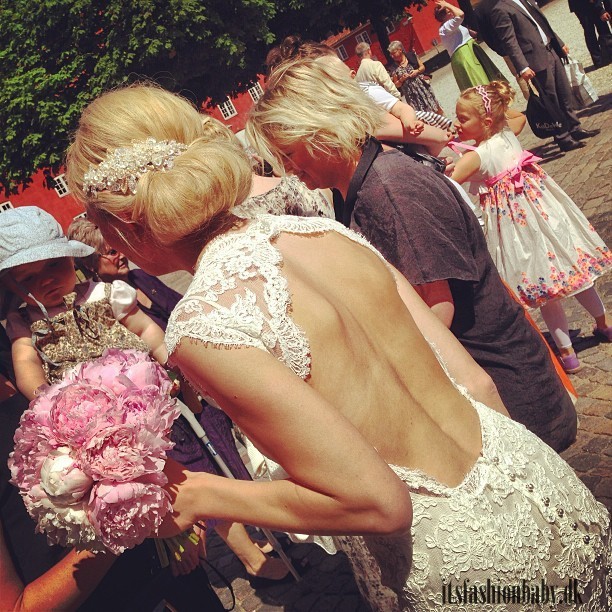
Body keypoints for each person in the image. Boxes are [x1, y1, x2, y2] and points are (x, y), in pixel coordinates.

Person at [66, 83, 610, 611]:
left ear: (123, 221)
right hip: (536, 484)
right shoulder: (323, 232)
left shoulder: (204, 325)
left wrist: (202, 494)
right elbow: (476, 384)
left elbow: (379, 503)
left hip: (466, 563)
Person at [248, 54, 579, 452]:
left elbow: (438, 311)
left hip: (509, 400)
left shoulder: (389, 188)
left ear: (322, 130)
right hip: (495, 398)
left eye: (289, 153)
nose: (288, 169)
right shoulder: (363, 183)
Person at [66, 217, 292, 583]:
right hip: (163, 401)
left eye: (119, 245)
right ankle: (252, 559)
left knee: (225, 458)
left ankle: (257, 531)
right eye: (109, 251)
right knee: (201, 472)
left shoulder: (140, 280)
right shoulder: (102, 305)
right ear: (90, 262)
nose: (120, 254)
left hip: (195, 384)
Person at [449, 81, 612, 373]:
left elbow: (446, 183)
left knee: (545, 286)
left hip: (518, 228)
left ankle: (568, 354)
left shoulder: (476, 156)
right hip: (545, 214)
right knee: (574, 271)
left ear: (486, 121)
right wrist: (492, 102)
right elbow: (517, 116)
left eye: (463, 118)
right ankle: (604, 324)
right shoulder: (507, 132)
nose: (456, 123)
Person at [265, 36, 452, 155]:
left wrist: (410, 123)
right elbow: (437, 138)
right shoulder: (336, 122)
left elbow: (404, 112)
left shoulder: (363, 94)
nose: (351, 73)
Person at [482, 0, 600, 153]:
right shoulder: (500, 9)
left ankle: (574, 127)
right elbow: (509, 41)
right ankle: (563, 137)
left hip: (551, 50)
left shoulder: (526, 0)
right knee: (551, 99)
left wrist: (559, 43)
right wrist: (522, 67)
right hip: (535, 59)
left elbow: (542, 24)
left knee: (564, 93)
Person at [434, 0, 506, 91]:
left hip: (470, 51)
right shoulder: (446, 27)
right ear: (443, 16)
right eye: (449, 11)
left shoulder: (452, 25)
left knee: (486, 75)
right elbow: (460, 14)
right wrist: (447, 4)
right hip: (464, 55)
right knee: (478, 79)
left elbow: (467, 33)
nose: (452, 12)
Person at [387, 41, 445, 115]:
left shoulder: (411, 56)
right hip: (411, 94)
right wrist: (402, 79)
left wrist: (416, 71)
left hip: (423, 88)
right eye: (391, 54)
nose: (392, 56)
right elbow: (396, 84)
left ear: (400, 50)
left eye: (393, 53)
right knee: (421, 114)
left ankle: (444, 120)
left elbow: (422, 67)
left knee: (434, 106)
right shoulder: (393, 67)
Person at [569, 0, 612, 67]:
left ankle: (599, 59)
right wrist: (600, 10)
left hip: (578, 4)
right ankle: (605, 56)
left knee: (589, 31)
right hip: (585, 4)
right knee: (598, 28)